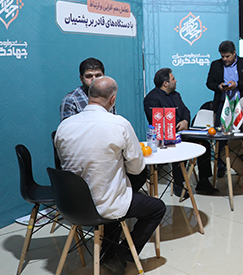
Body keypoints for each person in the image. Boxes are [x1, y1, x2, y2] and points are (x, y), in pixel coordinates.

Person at [54, 77, 165, 275]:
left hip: (71, 206)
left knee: (110, 188)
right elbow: (137, 167)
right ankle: (119, 254)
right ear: (112, 100)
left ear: (89, 96)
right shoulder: (119, 124)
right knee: (156, 207)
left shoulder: (64, 126)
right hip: (105, 203)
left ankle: (108, 252)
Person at [144, 68, 218, 196]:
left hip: (183, 132)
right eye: (173, 79)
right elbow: (156, 119)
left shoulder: (176, 95)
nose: (175, 80)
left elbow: (186, 111)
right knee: (178, 148)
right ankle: (178, 185)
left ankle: (204, 182)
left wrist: (185, 121)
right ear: (165, 83)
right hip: (166, 136)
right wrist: (175, 127)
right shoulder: (152, 98)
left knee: (204, 144)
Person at [206, 40, 243, 127]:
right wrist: (219, 87)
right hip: (222, 104)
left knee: (242, 130)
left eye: (227, 56)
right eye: (222, 56)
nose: (225, 59)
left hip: (241, 103)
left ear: (234, 53)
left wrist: (236, 85)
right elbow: (209, 83)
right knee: (221, 131)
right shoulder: (215, 65)